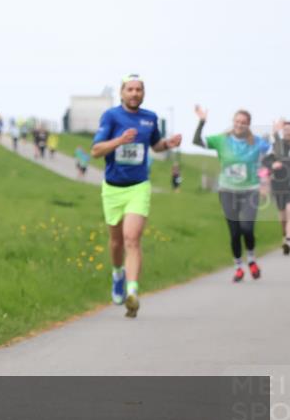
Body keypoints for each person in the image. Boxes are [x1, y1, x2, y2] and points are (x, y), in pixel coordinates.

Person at [91, 75, 181, 317]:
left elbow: (156, 145)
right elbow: (96, 151)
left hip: (139, 187)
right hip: (112, 188)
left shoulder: (149, 119)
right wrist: (120, 140)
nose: (134, 93)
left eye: (138, 89)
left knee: (132, 238)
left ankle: (132, 292)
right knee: (116, 242)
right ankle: (118, 274)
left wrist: (168, 144)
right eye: (130, 89)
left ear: (143, 93)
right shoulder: (111, 116)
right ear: (121, 93)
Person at [193, 106, 271, 282]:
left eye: (244, 123)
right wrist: (202, 121)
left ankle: (251, 259)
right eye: (237, 121)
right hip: (227, 191)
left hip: (250, 191)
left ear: (248, 125)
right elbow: (197, 141)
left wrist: (265, 179)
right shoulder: (222, 140)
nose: (240, 125)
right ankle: (238, 267)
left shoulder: (257, 143)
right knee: (235, 232)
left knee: (247, 229)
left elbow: (273, 155)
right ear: (233, 122)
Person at [263, 118, 290, 255]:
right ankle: (284, 237)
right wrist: (272, 165)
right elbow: (266, 160)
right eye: (285, 130)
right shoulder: (276, 146)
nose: (288, 132)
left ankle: (288, 240)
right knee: (283, 217)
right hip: (279, 186)